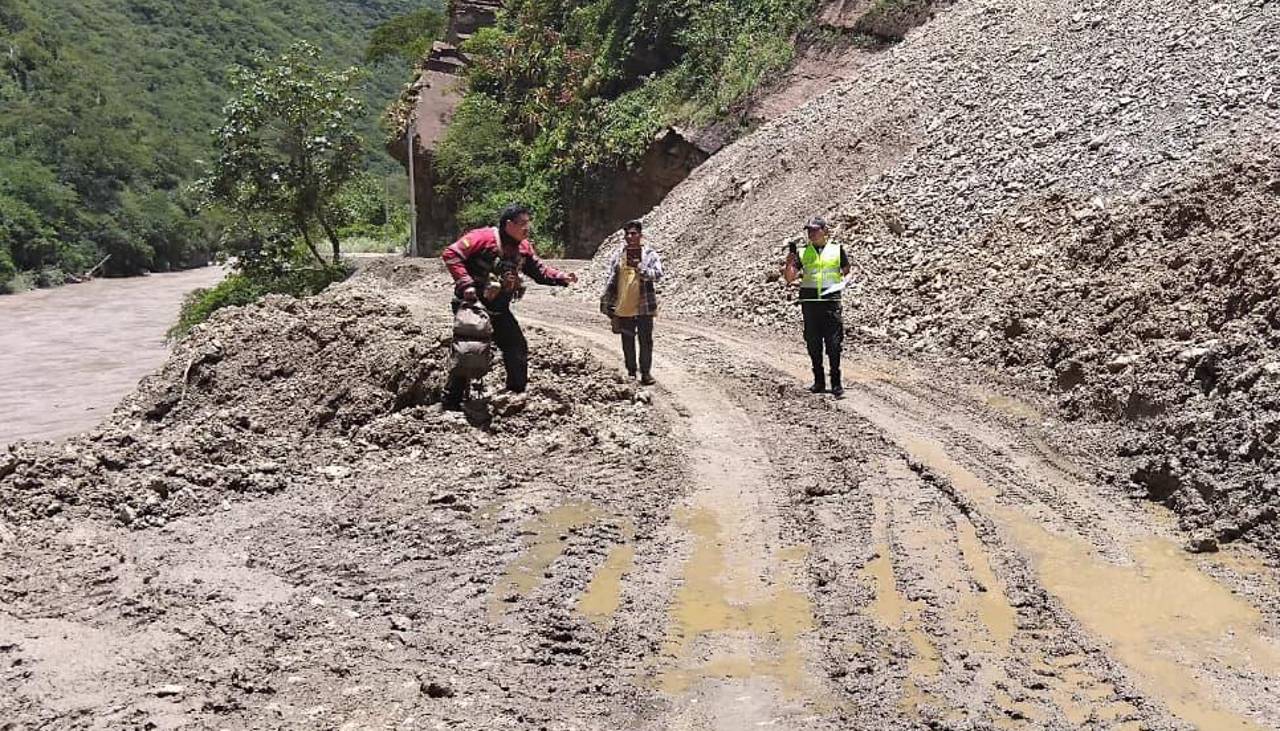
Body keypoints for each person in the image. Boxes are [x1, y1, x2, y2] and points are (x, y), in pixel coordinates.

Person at [441, 204, 577, 409]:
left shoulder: (523, 248)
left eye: (528, 224)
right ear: (508, 225)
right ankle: (451, 403)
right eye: (522, 224)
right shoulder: (483, 237)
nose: (526, 228)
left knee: (517, 347)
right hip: (473, 307)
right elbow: (451, 254)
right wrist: (466, 283)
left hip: (499, 309)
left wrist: (561, 277)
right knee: (470, 351)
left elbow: (539, 271)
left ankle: (516, 396)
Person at [784, 216, 851, 397]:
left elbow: (846, 271)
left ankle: (836, 382)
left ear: (824, 231)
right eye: (809, 231)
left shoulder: (837, 250)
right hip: (810, 304)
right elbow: (790, 278)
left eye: (815, 230)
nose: (811, 234)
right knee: (813, 344)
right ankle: (819, 381)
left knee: (834, 344)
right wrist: (789, 263)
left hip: (831, 303)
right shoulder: (802, 252)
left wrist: (840, 285)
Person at [600, 219, 663, 384]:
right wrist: (608, 303)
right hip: (624, 306)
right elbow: (611, 279)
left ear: (640, 235)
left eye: (633, 233)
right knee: (627, 341)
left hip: (644, 307)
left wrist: (642, 269)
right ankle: (631, 372)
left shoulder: (649, 254)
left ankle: (646, 373)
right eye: (627, 234)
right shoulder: (618, 255)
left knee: (645, 341)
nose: (630, 237)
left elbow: (658, 274)